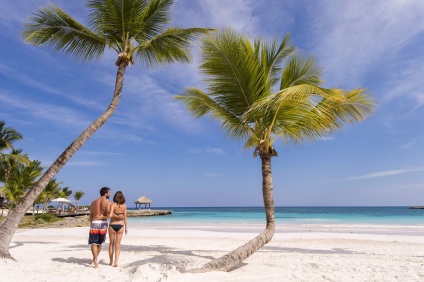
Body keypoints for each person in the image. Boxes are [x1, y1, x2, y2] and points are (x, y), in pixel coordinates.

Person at [88, 187, 112, 268]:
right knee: (100, 242)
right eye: (109, 192)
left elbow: (91, 214)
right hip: (103, 223)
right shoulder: (108, 202)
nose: (110, 194)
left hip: (94, 222)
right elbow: (109, 215)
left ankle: (95, 259)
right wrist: (103, 217)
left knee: (93, 242)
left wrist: (91, 223)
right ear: (105, 193)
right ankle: (95, 258)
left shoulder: (94, 202)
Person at [107, 191, 128, 267]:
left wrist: (115, 215)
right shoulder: (124, 206)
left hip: (112, 225)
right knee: (117, 245)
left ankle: (110, 262)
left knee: (111, 244)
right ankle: (116, 262)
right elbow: (125, 217)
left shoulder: (113, 205)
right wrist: (126, 227)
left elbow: (110, 215)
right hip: (120, 225)